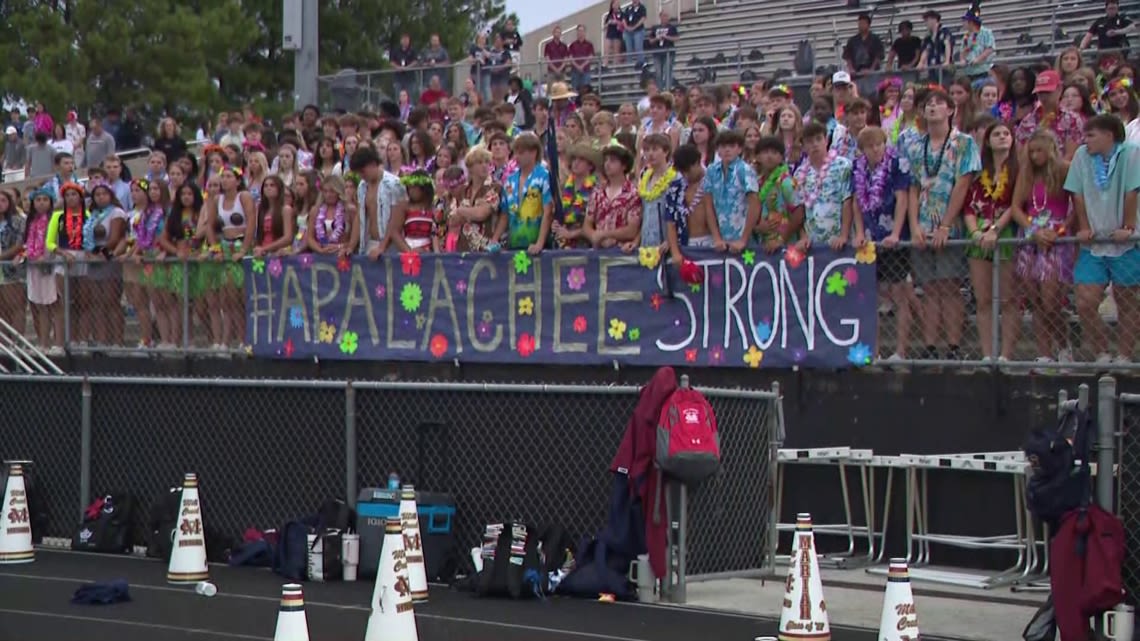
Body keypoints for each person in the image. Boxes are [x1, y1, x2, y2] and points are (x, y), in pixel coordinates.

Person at [901, 86, 981, 361]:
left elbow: (963, 184)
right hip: (922, 224)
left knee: (949, 285)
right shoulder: (914, 146)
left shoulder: (964, 142)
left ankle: (954, 345)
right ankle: (930, 345)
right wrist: (914, 226)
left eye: (938, 103)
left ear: (950, 109)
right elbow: (911, 187)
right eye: (927, 104)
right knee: (929, 287)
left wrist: (946, 224)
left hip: (951, 224)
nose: (932, 107)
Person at [1066, 114, 1140, 365]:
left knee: (1128, 301)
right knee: (1085, 301)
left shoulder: (1131, 153)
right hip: (1094, 241)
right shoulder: (1081, 156)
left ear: (1109, 135)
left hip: (1125, 243)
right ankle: (1101, 351)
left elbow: (1132, 191)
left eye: (1091, 135)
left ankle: (1125, 355)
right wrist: (1085, 227)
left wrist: (1128, 227)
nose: (1085, 140)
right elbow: (1077, 194)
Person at [963, 122, 1019, 362]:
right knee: (983, 299)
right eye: (997, 134)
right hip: (978, 235)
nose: (1003, 137)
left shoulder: (1019, 171)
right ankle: (988, 354)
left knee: (1008, 298)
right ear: (987, 141)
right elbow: (967, 207)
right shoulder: (977, 172)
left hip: (1005, 234)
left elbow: (1015, 204)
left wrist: (996, 229)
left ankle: (1006, 354)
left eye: (1007, 133)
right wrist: (975, 232)